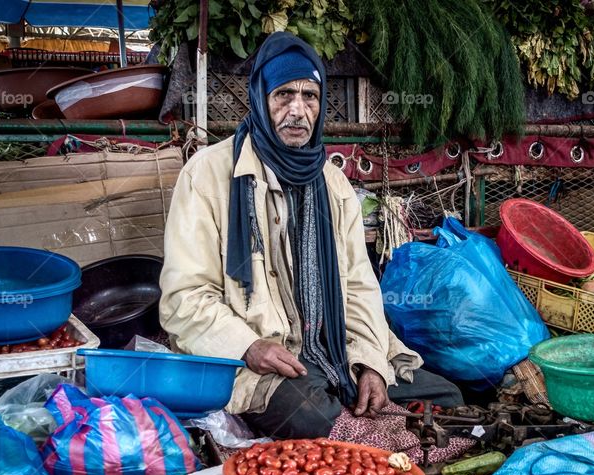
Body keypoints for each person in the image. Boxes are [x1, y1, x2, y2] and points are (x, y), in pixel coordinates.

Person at [159, 32, 463, 439]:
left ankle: (361, 424)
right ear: (260, 98)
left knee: (447, 396)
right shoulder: (207, 174)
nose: (298, 110)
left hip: (332, 351)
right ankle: (363, 433)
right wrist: (248, 346)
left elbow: (358, 285)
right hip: (258, 361)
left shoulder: (333, 184)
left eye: (310, 96)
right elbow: (185, 297)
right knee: (314, 417)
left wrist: (369, 361)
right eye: (284, 94)